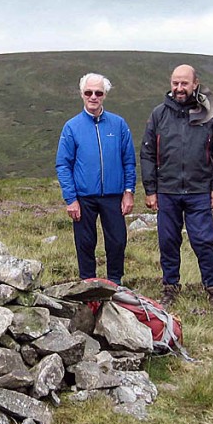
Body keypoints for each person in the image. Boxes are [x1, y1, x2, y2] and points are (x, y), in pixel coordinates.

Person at [140, 64, 213, 306]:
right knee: (168, 242)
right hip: (167, 191)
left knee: (203, 241)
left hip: (199, 190)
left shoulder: (208, 113)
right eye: (175, 83)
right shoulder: (159, 114)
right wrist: (151, 190)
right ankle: (170, 287)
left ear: (195, 84)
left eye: (184, 83)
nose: (179, 88)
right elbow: (147, 153)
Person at [55, 73, 137, 285]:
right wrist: (70, 199)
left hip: (114, 196)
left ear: (104, 95)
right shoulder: (71, 127)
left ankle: (115, 284)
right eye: (88, 92)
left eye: (98, 93)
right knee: (85, 243)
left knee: (117, 242)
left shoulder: (119, 125)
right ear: (82, 94)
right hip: (83, 197)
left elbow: (129, 160)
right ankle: (88, 285)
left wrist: (129, 192)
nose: (93, 97)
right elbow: (63, 164)